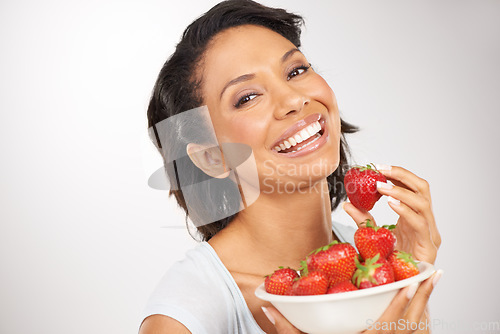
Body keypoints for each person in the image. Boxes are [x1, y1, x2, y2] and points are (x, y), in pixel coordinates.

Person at [140, 1, 441, 333]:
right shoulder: (183, 316)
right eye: (247, 97)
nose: (294, 99)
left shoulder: (370, 266)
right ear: (213, 158)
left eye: (296, 71)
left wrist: (407, 275)